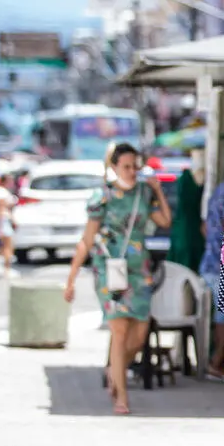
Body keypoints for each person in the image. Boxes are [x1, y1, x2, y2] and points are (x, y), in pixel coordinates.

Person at [64, 143, 172, 415]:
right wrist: (71, 278)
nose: (132, 171)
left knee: (139, 335)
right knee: (120, 330)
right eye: (126, 166)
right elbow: (87, 240)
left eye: (135, 166)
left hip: (139, 270)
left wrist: (158, 190)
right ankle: (121, 397)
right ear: (114, 167)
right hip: (109, 269)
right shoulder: (103, 197)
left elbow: (165, 221)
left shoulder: (144, 193)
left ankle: (115, 370)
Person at [199, 156, 224, 379]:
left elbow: (205, 227)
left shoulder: (220, 190)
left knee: (223, 316)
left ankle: (217, 362)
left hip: (213, 261)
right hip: (220, 264)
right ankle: (217, 363)